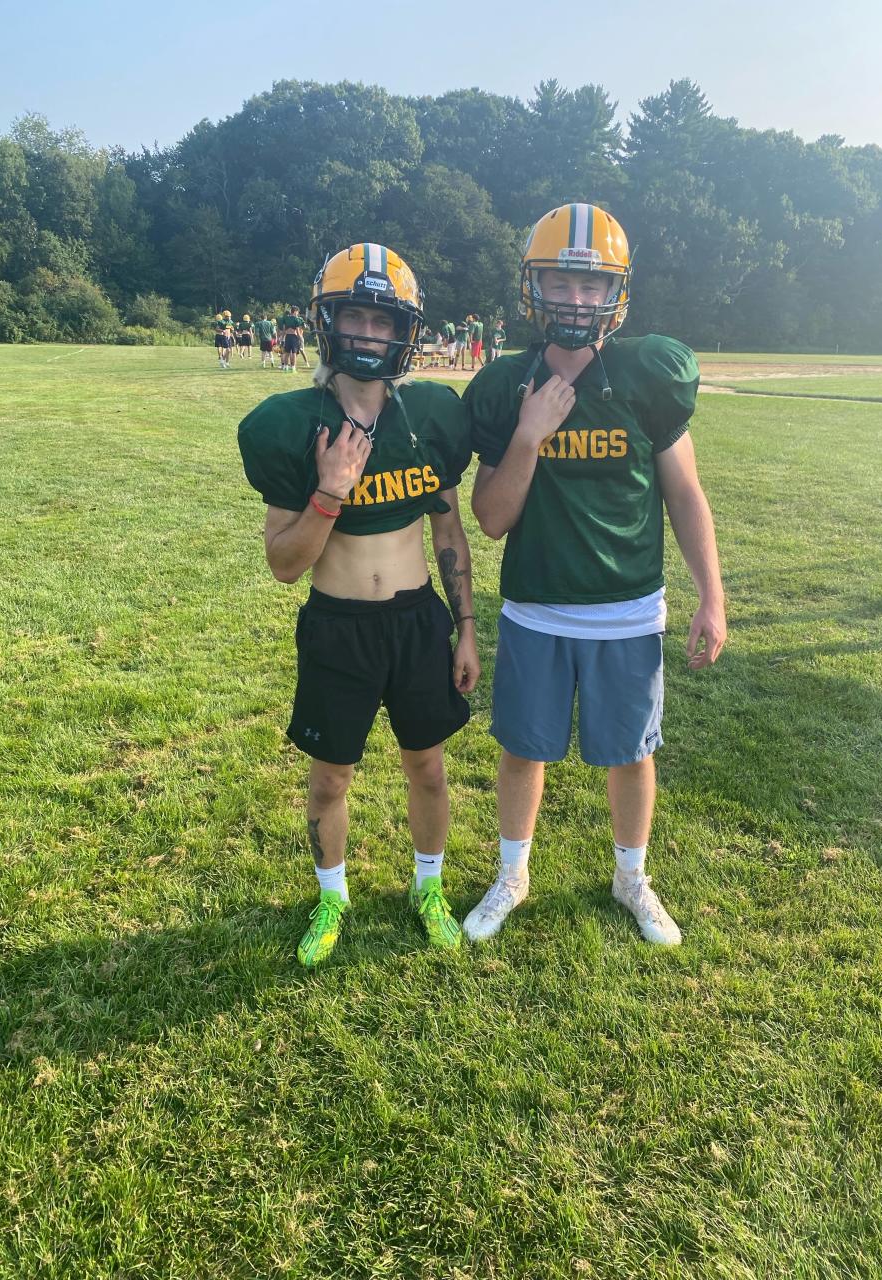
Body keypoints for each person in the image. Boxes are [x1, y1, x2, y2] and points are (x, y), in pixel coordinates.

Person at [462, 202, 726, 947]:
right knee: (523, 750)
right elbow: (490, 518)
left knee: (632, 754)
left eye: (592, 286)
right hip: (537, 609)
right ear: (533, 285)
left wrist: (713, 594)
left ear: (616, 293)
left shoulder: (646, 376)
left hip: (628, 609)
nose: (577, 300)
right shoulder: (506, 386)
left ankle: (631, 876)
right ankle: (513, 872)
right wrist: (527, 436)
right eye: (561, 282)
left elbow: (685, 493)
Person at [238, 242, 480, 967]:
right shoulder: (291, 424)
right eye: (355, 317)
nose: (368, 335)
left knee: (429, 767)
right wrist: (329, 491)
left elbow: (447, 527)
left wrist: (465, 627)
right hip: (338, 626)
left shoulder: (428, 417)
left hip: (415, 622)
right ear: (328, 322)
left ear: (404, 331)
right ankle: (332, 895)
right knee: (329, 777)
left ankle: (428, 887)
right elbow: (285, 563)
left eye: (383, 321)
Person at [279, 305, 307, 372]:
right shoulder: (296, 319)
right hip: (294, 337)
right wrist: (300, 339)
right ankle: (293, 368)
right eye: (297, 312)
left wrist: (281, 339)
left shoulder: (285, 318)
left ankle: (285, 367)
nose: (297, 313)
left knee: (287, 353)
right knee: (294, 353)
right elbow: (297, 331)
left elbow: (283, 330)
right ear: (295, 311)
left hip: (287, 336)